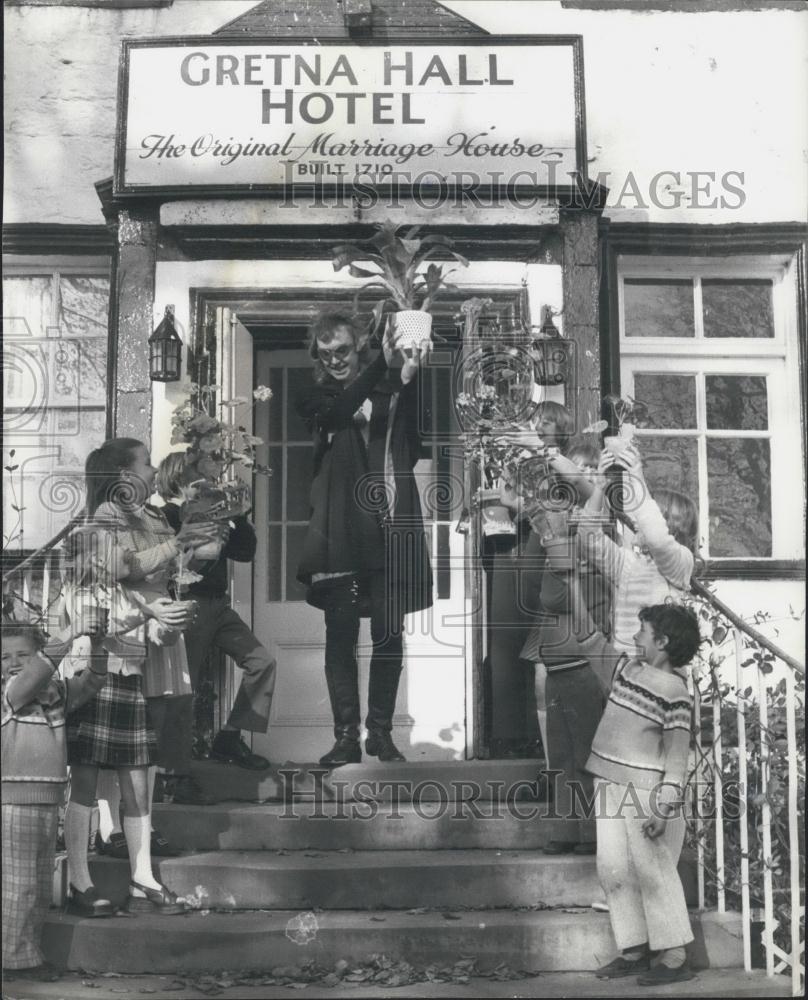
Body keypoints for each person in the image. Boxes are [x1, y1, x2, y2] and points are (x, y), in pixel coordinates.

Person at [538, 574, 700, 985]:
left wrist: (664, 809)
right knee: (612, 868)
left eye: (642, 632)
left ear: (662, 643)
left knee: (653, 872)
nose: (634, 636)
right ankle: (633, 948)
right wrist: (573, 585)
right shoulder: (627, 670)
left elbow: (677, 760)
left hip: (646, 795)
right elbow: (590, 638)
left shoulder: (676, 693)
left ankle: (675, 955)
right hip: (607, 784)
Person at [296, 310, 432, 765]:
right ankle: (345, 738)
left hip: (389, 527)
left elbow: (415, 443)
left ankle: (380, 733)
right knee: (341, 636)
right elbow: (339, 411)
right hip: (339, 534)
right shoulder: (314, 398)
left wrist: (409, 377)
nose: (335, 359)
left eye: (343, 350)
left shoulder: (388, 392)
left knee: (389, 635)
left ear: (359, 347)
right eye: (326, 353)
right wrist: (383, 364)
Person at [61, 523, 191, 916]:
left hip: (129, 687)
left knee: (136, 787)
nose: (129, 556)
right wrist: (147, 612)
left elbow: (148, 639)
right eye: (119, 549)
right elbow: (102, 628)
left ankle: (142, 877)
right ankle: (78, 881)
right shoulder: (78, 592)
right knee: (83, 785)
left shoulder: (127, 592)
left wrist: (168, 626)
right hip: (92, 688)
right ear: (96, 559)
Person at [2, 620, 109, 979]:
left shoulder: (56, 692)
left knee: (38, 885)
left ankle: (26, 952)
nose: (13, 662)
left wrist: (98, 642)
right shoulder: (8, 692)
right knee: (19, 886)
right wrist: (67, 635)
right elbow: (31, 678)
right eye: (4, 656)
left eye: (22, 655)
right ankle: (14, 960)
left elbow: (93, 681)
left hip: (47, 801)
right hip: (12, 803)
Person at [156, 451, 276, 772]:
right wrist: (199, 543)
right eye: (200, 478)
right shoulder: (166, 514)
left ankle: (229, 736)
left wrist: (240, 517)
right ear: (180, 479)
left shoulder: (213, 510)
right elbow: (171, 565)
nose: (208, 482)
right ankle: (175, 770)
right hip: (188, 603)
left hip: (218, 605)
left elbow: (246, 552)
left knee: (262, 662)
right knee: (185, 687)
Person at [580, 443, 697, 651]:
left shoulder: (681, 564)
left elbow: (657, 539)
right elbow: (589, 539)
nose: (636, 520)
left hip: (661, 673)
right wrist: (598, 488)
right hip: (628, 672)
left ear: (670, 525)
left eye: (643, 515)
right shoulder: (629, 564)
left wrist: (637, 477)